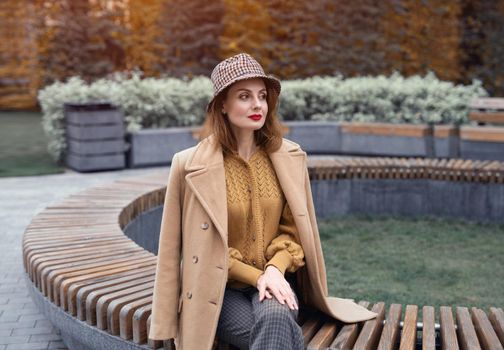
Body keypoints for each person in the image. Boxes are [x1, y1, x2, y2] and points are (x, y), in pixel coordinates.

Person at [149, 53, 377, 350]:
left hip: (277, 280)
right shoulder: (188, 165)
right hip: (219, 292)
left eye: (262, 96)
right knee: (278, 330)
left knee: (274, 320)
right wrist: (164, 323)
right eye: (244, 96)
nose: (257, 105)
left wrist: (273, 270)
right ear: (222, 105)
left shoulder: (289, 158)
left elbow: (294, 231)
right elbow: (171, 252)